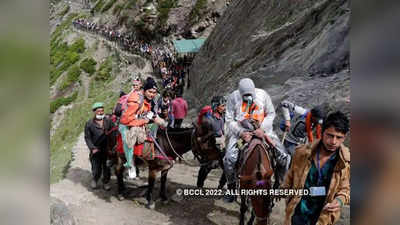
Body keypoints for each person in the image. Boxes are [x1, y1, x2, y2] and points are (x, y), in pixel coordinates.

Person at [223, 78, 291, 202]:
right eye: (245, 96)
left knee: (284, 157)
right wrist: (241, 132)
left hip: (264, 133)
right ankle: (231, 187)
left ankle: (279, 184)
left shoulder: (263, 95)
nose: (248, 98)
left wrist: (262, 129)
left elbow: (271, 114)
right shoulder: (233, 97)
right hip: (242, 134)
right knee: (229, 158)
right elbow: (229, 119)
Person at [282, 111, 350, 225]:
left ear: (344, 137)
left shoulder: (346, 162)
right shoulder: (302, 153)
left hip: (322, 218)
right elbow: (290, 176)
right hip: (297, 215)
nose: (333, 142)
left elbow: (346, 189)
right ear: (322, 132)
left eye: (339, 137)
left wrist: (339, 201)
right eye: (330, 135)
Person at [119, 78, 161, 179]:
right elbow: (125, 120)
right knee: (130, 139)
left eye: (154, 92)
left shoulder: (150, 99)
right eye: (150, 92)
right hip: (127, 124)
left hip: (139, 120)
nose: (152, 94)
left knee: (156, 127)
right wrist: (143, 120)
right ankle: (130, 164)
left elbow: (147, 112)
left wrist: (151, 118)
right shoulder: (136, 100)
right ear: (144, 90)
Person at [196, 96, 227, 188]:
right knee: (206, 167)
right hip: (210, 148)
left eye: (225, 106)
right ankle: (199, 186)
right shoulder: (208, 120)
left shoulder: (221, 118)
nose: (224, 108)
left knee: (229, 167)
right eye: (222, 106)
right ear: (216, 106)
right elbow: (202, 138)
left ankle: (221, 186)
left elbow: (222, 132)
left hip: (221, 146)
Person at [84, 102, 112, 190]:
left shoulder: (108, 121)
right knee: (96, 168)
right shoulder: (89, 123)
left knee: (107, 168)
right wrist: (92, 148)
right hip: (96, 150)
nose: (101, 113)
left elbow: (113, 132)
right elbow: (87, 138)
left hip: (107, 149)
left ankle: (106, 182)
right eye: (98, 111)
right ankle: (95, 180)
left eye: (102, 111)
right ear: (94, 112)